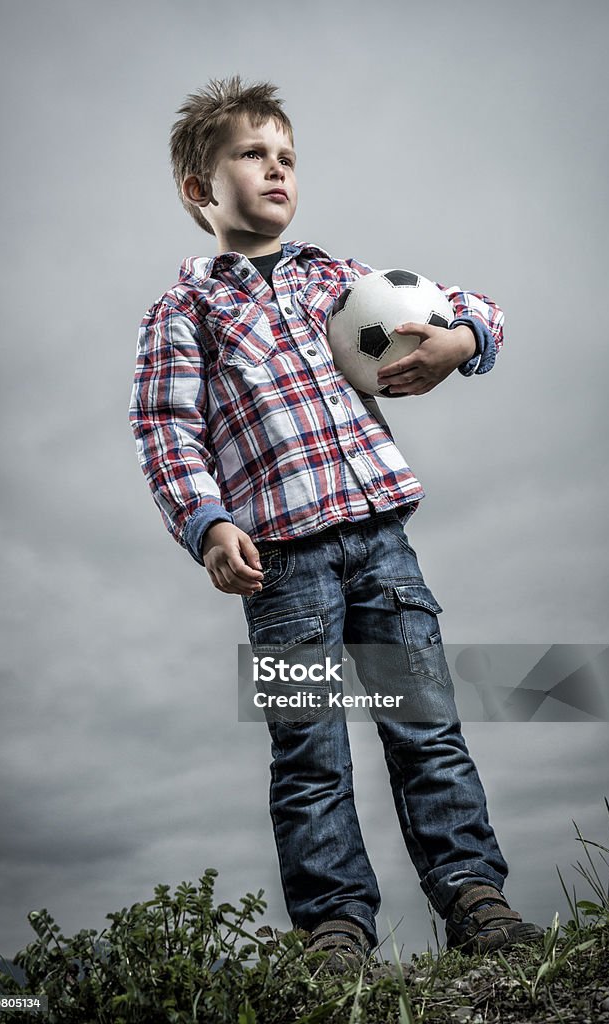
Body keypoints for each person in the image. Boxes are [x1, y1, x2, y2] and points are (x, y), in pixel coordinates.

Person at [128, 75, 543, 971]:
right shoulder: (184, 312)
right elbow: (165, 428)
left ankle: (476, 901)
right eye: (251, 154)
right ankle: (336, 930)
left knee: (425, 727)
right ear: (200, 190)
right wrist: (204, 525)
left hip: (382, 543)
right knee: (307, 751)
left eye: (286, 157)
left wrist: (458, 344)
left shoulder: (342, 282)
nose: (276, 169)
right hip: (281, 568)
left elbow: (477, 307)